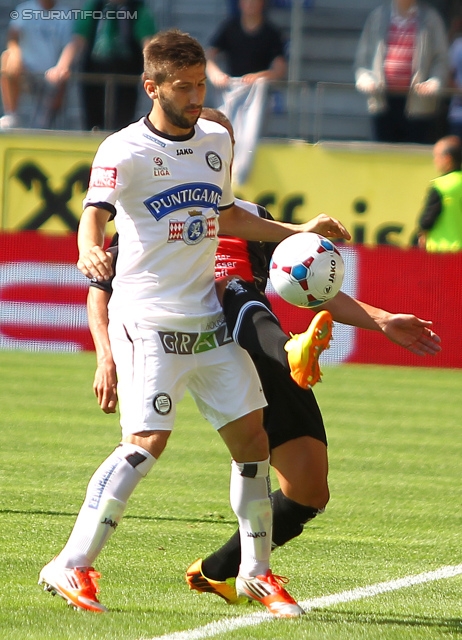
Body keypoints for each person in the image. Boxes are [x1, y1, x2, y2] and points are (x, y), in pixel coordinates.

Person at [38, 29, 351, 618]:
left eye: (201, 84)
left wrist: (300, 233)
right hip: (147, 316)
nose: (194, 95)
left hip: (205, 320)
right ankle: (71, 563)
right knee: (146, 444)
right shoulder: (123, 149)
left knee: (252, 439)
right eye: (182, 87)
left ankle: (256, 573)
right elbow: (94, 216)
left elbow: (227, 214)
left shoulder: (213, 139)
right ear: (151, 86)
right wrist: (87, 248)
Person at [85, 108, 442, 609]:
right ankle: (84, 561)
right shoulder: (155, 213)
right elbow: (101, 289)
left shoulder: (255, 218)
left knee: (309, 492)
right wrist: (106, 356)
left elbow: (308, 285)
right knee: (230, 287)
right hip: (188, 336)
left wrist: (381, 320)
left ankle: (221, 571)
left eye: (223, 145)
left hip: (258, 349)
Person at [206, 0, 287, 184]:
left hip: (255, 96)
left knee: (249, 130)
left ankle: (240, 171)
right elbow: (209, 55)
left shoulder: (271, 33)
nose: (250, 4)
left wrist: (260, 76)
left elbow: (279, 69)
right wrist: (216, 74)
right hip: (230, 92)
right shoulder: (230, 27)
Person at [47, 0, 156, 130]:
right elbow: (79, 40)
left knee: (122, 120)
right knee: (93, 120)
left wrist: (153, 69)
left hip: (126, 72)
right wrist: (62, 65)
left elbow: (147, 42)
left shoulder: (137, 8)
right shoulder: (95, 6)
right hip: (94, 70)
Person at [355, 0, 449, 144]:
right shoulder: (377, 17)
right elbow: (362, 60)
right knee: (383, 156)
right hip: (382, 101)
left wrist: (434, 82)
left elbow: (441, 59)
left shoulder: (431, 19)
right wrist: (365, 78)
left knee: (414, 156)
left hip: (419, 104)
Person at [0, 0, 74, 129]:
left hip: (52, 76)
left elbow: (70, 46)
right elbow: (13, 37)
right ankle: (11, 115)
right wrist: (16, 54)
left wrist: (61, 68)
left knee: (41, 126)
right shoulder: (24, 9)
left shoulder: (67, 14)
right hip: (26, 72)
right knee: (7, 58)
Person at [417, 134, 462, 251]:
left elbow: (427, 221)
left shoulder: (441, 186)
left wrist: (422, 233)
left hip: (444, 252)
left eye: (436, 156)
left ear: (447, 158)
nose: (434, 160)